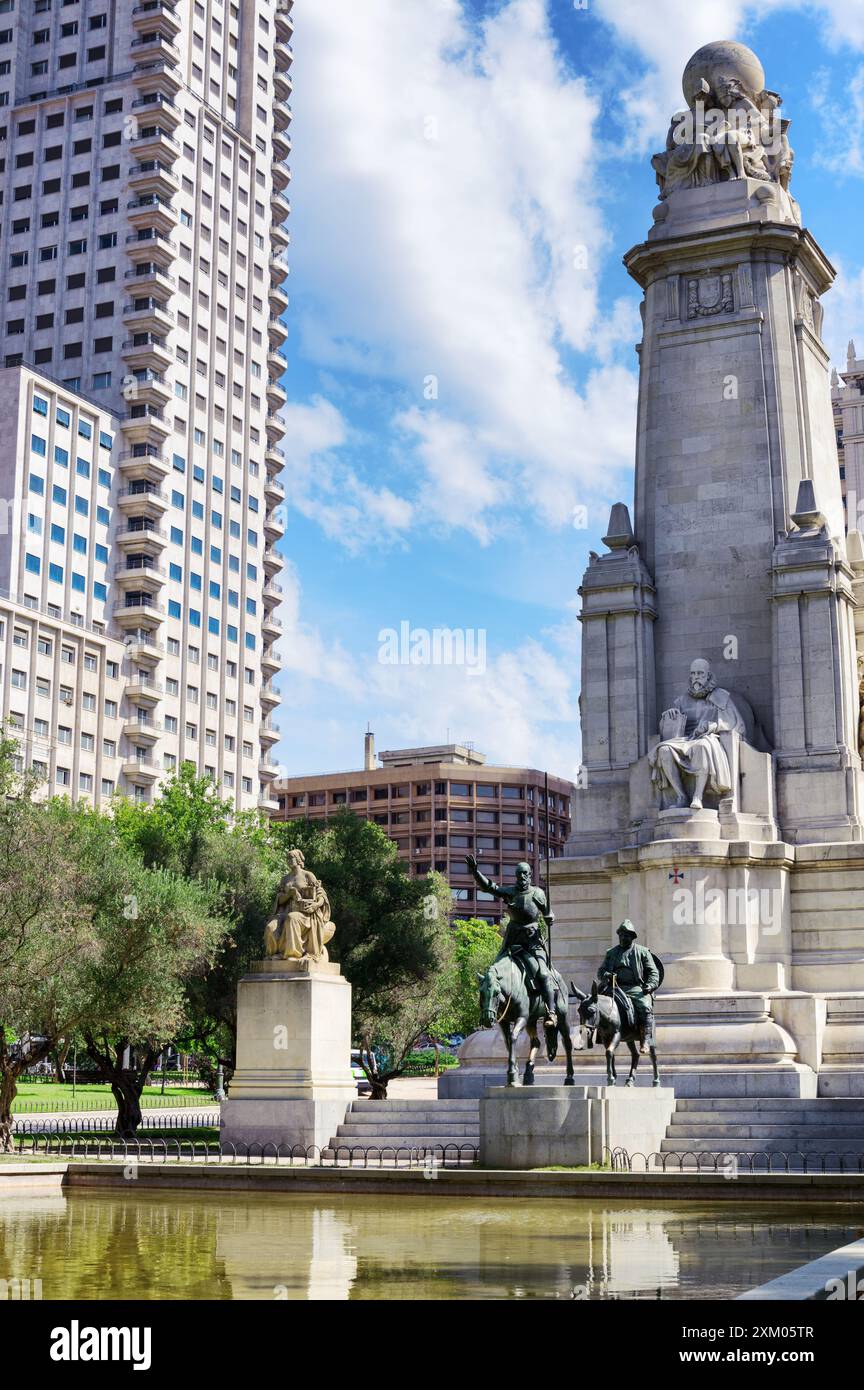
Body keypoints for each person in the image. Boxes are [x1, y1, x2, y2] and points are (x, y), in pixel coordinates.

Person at [465, 855, 558, 1026]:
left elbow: (548, 913)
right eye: (519, 874)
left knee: (543, 974)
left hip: (532, 943)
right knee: (493, 972)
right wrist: (475, 872)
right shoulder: (511, 892)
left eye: (525, 874)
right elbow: (490, 887)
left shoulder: (538, 893)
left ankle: (551, 1012)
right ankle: (492, 1010)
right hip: (512, 943)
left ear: (530, 875)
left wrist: (549, 917)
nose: (522, 877)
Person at [597, 922, 660, 1052]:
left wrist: (650, 986)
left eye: (626, 935)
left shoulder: (643, 952)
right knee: (596, 1006)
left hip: (635, 988)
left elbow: (653, 972)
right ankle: (595, 1036)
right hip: (614, 988)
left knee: (645, 1006)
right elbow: (601, 971)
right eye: (621, 935)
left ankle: (645, 1040)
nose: (623, 938)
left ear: (632, 937)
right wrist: (607, 975)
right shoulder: (611, 953)